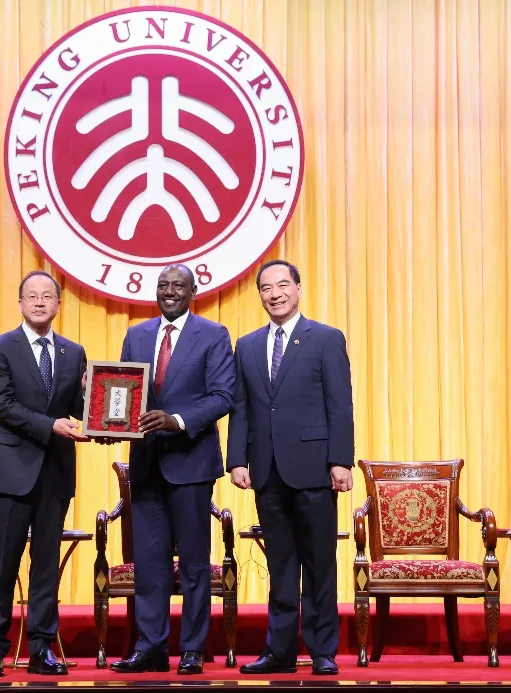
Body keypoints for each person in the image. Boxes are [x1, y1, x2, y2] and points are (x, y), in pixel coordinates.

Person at [226, 260, 355, 676]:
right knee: (280, 564)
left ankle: (322, 651)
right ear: (260, 296)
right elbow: (241, 406)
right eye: (266, 288)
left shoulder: (326, 339)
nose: (275, 294)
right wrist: (237, 459)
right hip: (266, 470)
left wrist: (340, 460)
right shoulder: (246, 345)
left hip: (314, 468)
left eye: (283, 285)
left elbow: (340, 405)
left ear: (298, 289)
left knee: (319, 563)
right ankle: (279, 651)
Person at [107, 264, 235, 675]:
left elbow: (223, 396)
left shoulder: (213, 335)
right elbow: (124, 392)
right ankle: (151, 647)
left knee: (194, 563)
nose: (169, 291)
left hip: (191, 463)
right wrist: (111, 425)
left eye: (178, 285)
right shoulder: (137, 335)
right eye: (163, 285)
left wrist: (176, 420)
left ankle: (193, 648)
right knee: (149, 564)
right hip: (146, 465)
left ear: (193, 291)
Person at [0, 270, 88, 677]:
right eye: (32, 296)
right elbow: (3, 405)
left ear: (58, 304)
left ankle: (42, 648)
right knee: (3, 563)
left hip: (55, 472)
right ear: (20, 303)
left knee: (45, 565)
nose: (40, 302)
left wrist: (99, 404)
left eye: (47, 296)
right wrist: (51, 426)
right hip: (11, 472)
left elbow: (80, 405)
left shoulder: (74, 352)